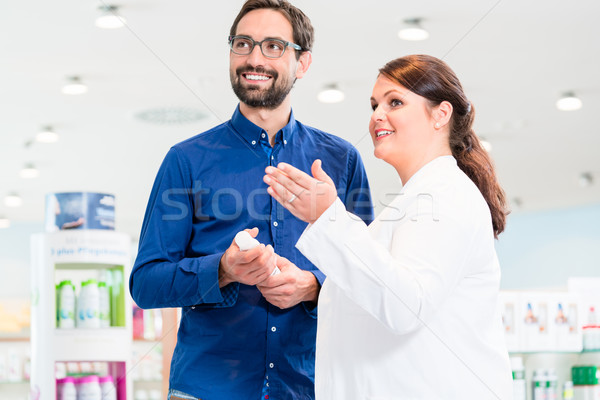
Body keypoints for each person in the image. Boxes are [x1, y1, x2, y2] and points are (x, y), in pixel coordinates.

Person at [129, 1, 373, 399]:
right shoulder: (186, 160)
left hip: (309, 387)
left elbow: (369, 280)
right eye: (242, 44)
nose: (254, 58)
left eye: (273, 46)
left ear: (303, 62)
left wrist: (313, 286)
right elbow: (146, 283)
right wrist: (222, 270)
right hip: (207, 388)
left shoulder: (341, 161)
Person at [263, 54, 513, 399]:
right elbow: (379, 296)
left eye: (395, 102)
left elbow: (403, 306)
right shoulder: (412, 203)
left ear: (440, 114)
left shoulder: (446, 195)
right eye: (374, 104)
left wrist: (327, 218)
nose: (377, 115)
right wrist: (315, 285)